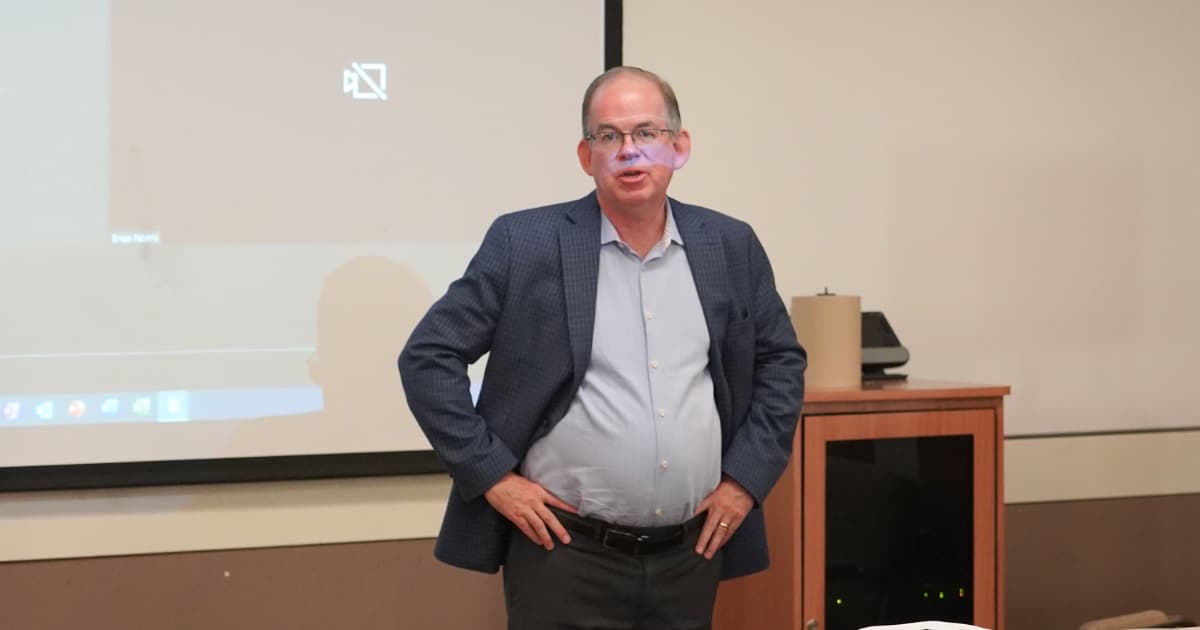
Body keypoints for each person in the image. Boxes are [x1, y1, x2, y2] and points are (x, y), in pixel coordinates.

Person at [398, 66, 806, 630]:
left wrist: (745, 481)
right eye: (608, 136)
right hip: (566, 555)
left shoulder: (729, 244)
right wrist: (494, 477)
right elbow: (427, 357)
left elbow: (781, 363)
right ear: (586, 156)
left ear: (678, 147)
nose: (627, 151)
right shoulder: (526, 242)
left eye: (646, 133)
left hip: (692, 554)